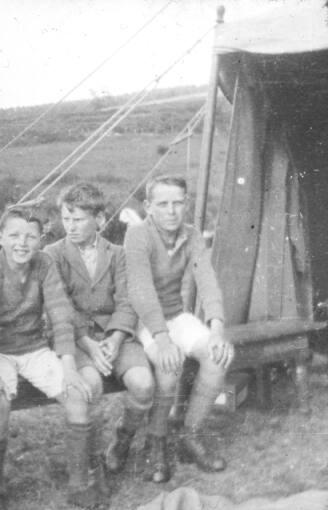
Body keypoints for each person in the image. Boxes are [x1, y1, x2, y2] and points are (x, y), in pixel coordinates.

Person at [0, 206, 105, 510]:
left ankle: (78, 483)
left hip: (33, 347)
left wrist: (69, 366)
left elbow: (61, 316)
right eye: (14, 236)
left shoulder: (44, 264)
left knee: (77, 395)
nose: (22, 243)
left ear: (40, 239)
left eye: (30, 236)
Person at [124, 175, 234, 483]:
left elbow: (207, 280)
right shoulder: (137, 235)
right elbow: (141, 291)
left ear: (185, 204)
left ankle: (190, 436)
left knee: (219, 355)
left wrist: (217, 328)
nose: (171, 211)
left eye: (178, 203)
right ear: (148, 206)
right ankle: (155, 441)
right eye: (163, 204)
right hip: (143, 320)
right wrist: (163, 340)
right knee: (169, 364)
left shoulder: (191, 235)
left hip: (175, 315)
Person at [45, 183, 154, 477]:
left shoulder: (118, 254)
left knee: (144, 384)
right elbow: (60, 307)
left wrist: (116, 340)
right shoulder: (52, 255)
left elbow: (127, 301)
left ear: (100, 220)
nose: (70, 226)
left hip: (114, 335)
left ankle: (121, 442)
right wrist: (89, 345)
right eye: (66, 219)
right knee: (88, 386)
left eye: (78, 219)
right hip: (76, 340)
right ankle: (89, 463)